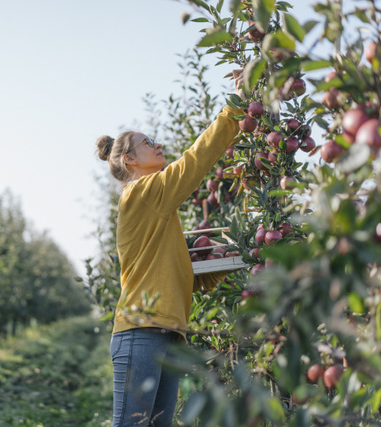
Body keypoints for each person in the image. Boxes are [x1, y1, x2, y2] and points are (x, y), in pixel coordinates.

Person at [95, 70, 246, 427]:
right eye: (147, 142)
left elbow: (182, 278)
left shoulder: (160, 210)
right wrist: (233, 110)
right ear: (130, 160)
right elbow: (193, 164)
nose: (158, 145)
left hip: (169, 334)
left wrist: (227, 260)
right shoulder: (142, 193)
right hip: (140, 333)